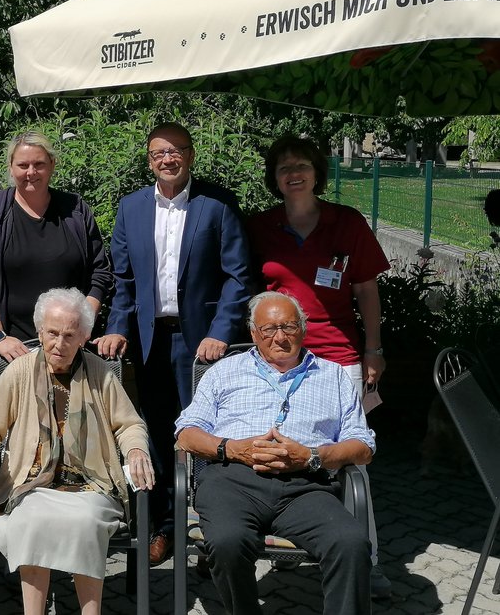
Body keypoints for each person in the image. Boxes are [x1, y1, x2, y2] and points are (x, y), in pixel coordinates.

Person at [94, 121, 252, 563]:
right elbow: (124, 279)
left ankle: (216, 532)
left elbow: (238, 276)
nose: (168, 159)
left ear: (191, 155)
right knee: (158, 434)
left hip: (203, 342)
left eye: (176, 150)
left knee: (212, 434)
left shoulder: (217, 204)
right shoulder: (131, 207)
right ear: (149, 161)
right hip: (150, 342)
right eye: (159, 153)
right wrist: (118, 326)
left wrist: (220, 332)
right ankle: (165, 526)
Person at [246, 135, 391, 596]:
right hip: (280, 360)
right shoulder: (261, 227)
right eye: (284, 167)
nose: (294, 173)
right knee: (281, 452)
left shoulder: (346, 223)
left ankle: (368, 561)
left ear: (317, 172)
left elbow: (366, 289)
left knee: (351, 461)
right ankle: (285, 549)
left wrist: (373, 349)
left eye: (302, 165)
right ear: (274, 178)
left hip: (338, 356)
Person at [176, 291, 375, 615]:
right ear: (254, 333)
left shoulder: (334, 375)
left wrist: (311, 456)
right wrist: (233, 449)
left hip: (306, 486)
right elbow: (186, 433)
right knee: (227, 541)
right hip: (232, 481)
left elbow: (363, 446)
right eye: (269, 329)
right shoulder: (224, 371)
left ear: (303, 329)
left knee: (350, 543)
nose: (280, 337)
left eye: (289, 327)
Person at [0, 288, 154, 615]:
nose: (59, 343)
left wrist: (136, 450)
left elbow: (129, 424)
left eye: (69, 335)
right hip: (31, 482)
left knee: (85, 522)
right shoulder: (20, 371)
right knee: (31, 519)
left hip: (91, 484)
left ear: (83, 337)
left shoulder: (100, 373)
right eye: (52, 333)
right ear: (40, 332)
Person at [0, 131, 113, 382]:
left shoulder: (76, 210)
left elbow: (101, 273)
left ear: (52, 164)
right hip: (13, 351)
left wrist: (82, 326)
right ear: (11, 168)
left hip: (69, 350)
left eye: (39, 164)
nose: (31, 172)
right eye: (23, 165)